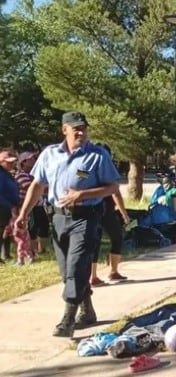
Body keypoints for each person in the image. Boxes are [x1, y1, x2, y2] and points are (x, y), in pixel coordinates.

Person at [15, 111, 120, 337]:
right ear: (65, 130)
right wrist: (23, 214)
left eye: (83, 127)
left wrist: (82, 194)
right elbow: (37, 185)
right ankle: (88, 311)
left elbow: (112, 187)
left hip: (86, 216)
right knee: (67, 272)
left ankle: (68, 319)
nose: (81, 131)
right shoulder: (49, 154)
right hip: (57, 218)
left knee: (76, 266)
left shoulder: (97, 155)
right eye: (76, 128)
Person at [90, 144, 130, 286]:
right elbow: (116, 193)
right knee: (115, 237)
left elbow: (77, 176)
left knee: (96, 241)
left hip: (93, 209)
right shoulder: (106, 169)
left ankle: (98, 275)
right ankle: (105, 273)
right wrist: (124, 213)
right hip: (104, 209)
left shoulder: (84, 169)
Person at [17, 152, 50, 256]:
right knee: (32, 228)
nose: (34, 160)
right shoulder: (21, 175)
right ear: (24, 162)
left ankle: (42, 250)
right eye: (30, 159)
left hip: (39, 205)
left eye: (34, 158)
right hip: (29, 207)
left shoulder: (36, 175)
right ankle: (32, 251)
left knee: (44, 226)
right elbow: (31, 188)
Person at [0, 150, 20, 264]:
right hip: (2, 207)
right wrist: (9, 205)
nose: (12, 164)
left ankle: (6, 254)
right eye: (9, 162)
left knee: (6, 232)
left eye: (13, 162)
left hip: (8, 207)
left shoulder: (6, 173)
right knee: (2, 231)